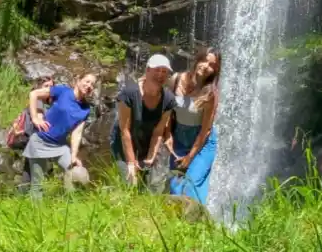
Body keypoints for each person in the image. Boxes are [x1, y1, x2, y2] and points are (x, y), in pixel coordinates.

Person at [23, 73, 96, 200]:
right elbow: (34, 94)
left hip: (60, 146)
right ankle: (36, 215)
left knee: (78, 173)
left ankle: (74, 205)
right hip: (40, 141)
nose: (89, 85)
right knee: (37, 185)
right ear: (78, 80)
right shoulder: (62, 91)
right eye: (87, 81)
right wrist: (35, 118)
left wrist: (74, 155)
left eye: (92, 84)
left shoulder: (85, 109)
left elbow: (76, 133)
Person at [109, 54, 175, 191]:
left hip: (145, 143)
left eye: (164, 72)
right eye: (157, 70)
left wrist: (150, 157)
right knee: (129, 183)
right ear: (147, 70)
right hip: (122, 144)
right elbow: (124, 130)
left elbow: (158, 132)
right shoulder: (129, 94)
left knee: (146, 187)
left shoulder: (168, 99)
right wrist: (131, 162)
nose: (160, 75)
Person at [165, 47, 221, 204]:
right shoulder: (176, 79)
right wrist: (167, 133)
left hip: (202, 143)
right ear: (197, 59)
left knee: (192, 184)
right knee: (175, 187)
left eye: (212, 65)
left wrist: (189, 158)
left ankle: (196, 225)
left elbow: (206, 130)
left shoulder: (210, 94)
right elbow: (168, 109)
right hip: (180, 139)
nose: (206, 66)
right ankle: (175, 226)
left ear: (214, 71)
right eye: (204, 60)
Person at [18, 75, 55, 190]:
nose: (48, 89)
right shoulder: (38, 102)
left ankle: (21, 198)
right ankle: (36, 200)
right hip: (37, 142)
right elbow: (40, 122)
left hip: (31, 141)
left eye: (51, 86)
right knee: (39, 174)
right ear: (39, 87)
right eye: (46, 86)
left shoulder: (41, 102)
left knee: (28, 172)